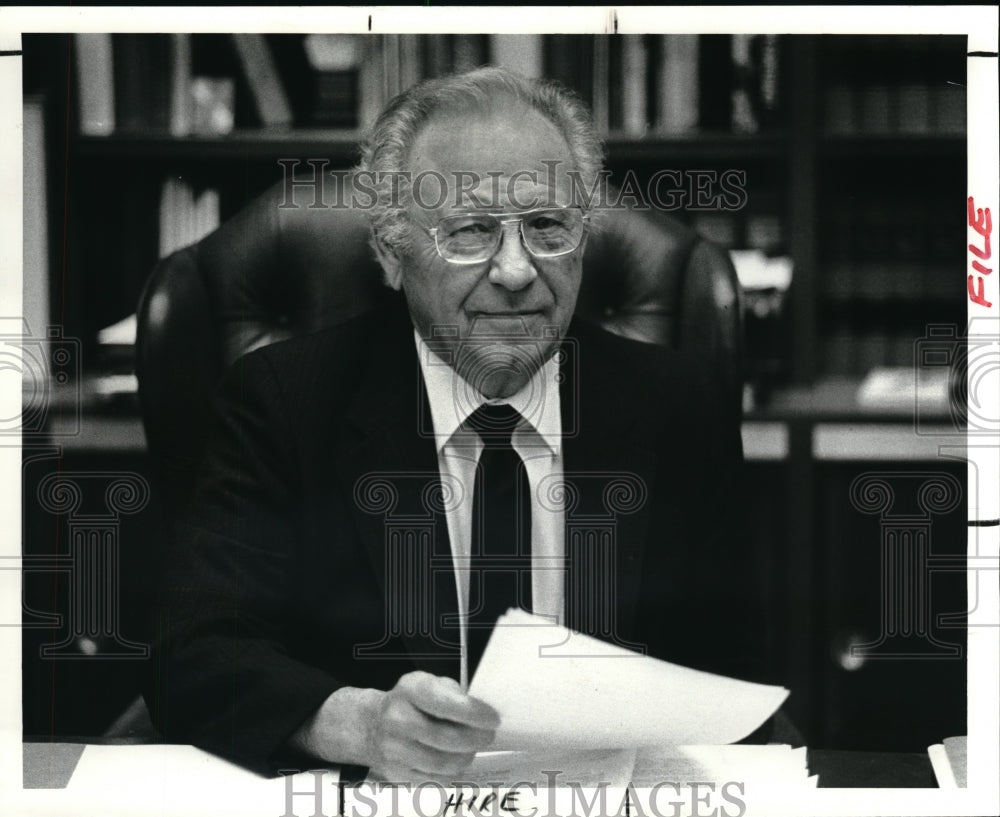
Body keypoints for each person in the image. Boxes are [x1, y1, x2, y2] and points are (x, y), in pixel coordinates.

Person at [146, 67, 765, 782]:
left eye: (546, 227)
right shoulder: (284, 401)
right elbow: (193, 654)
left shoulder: (677, 404)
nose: (515, 270)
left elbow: (732, 666)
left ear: (584, 240)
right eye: (470, 231)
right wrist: (360, 724)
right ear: (389, 251)